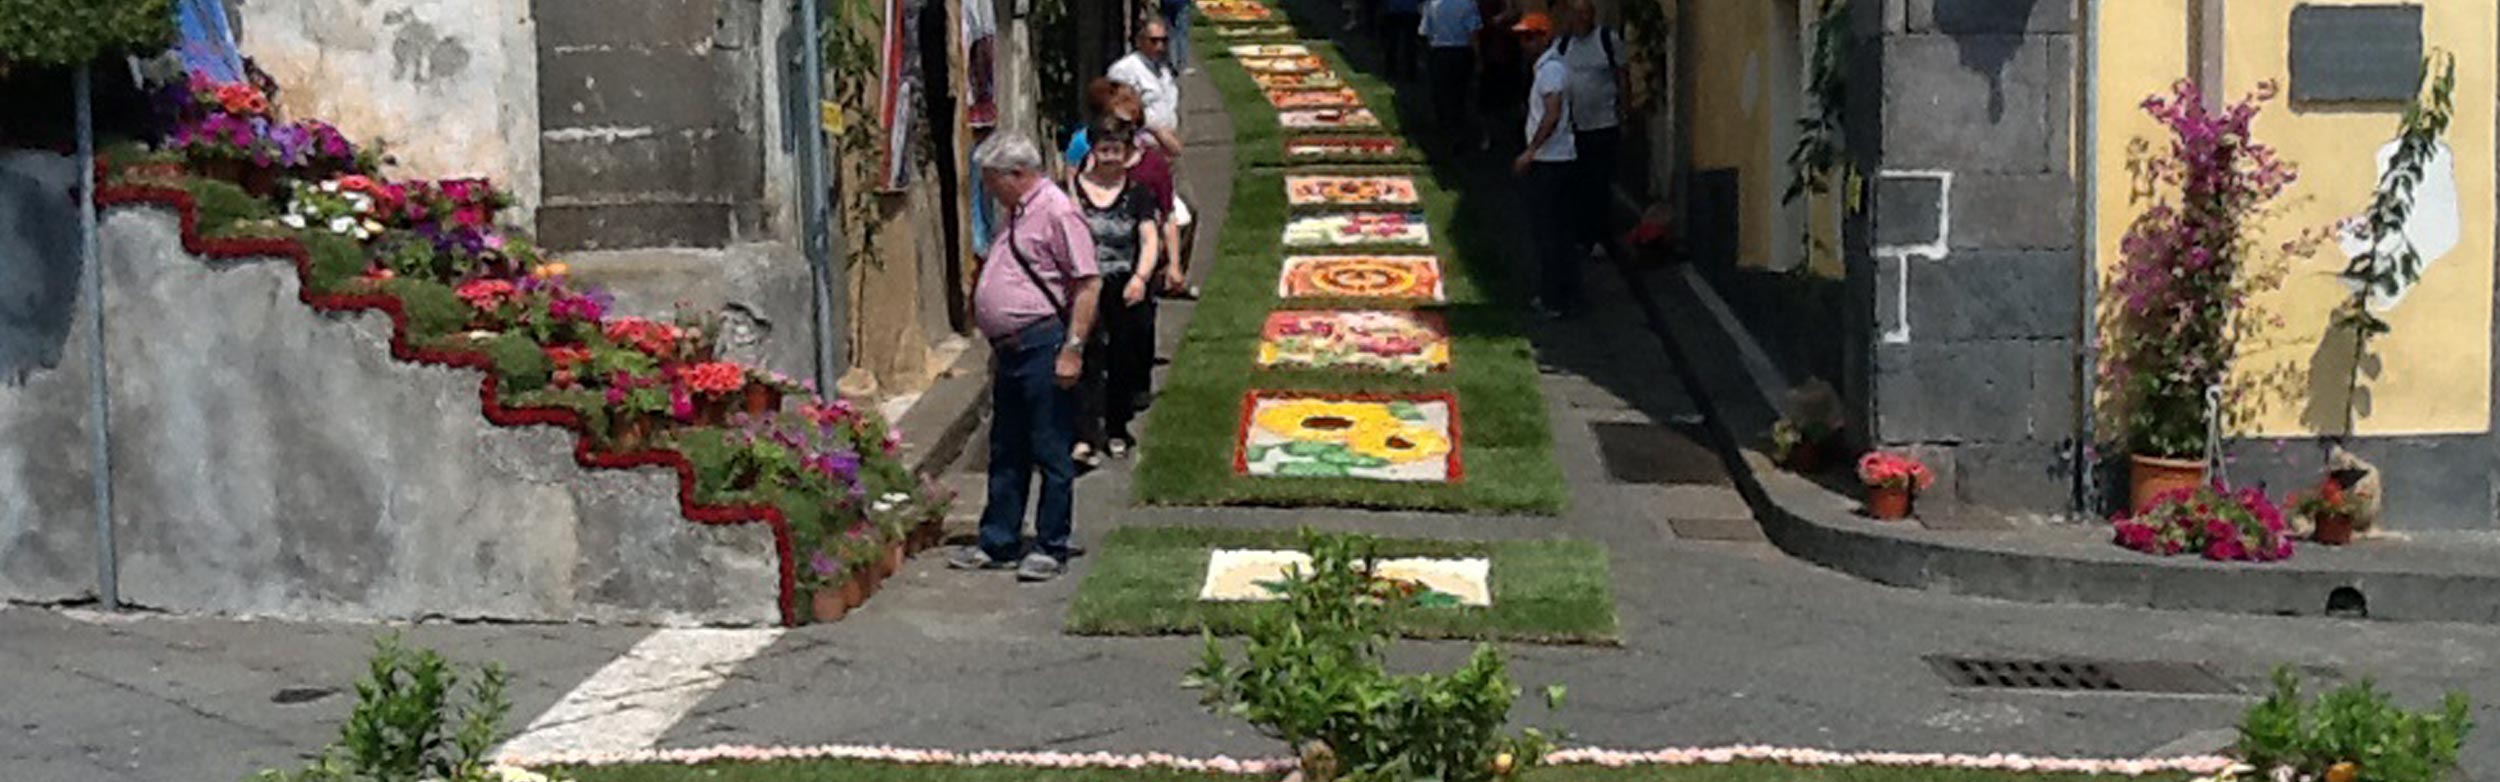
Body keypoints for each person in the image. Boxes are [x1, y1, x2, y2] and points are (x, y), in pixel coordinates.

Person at [953, 132, 1104, 582]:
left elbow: (1087, 282)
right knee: (1008, 445)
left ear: (1015, 175)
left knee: (1051, 446)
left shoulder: (1056, 211)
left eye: (991, 180)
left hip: (1043, 343)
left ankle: (1050, 543)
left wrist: (1072, 349)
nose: (988, 189)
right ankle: (998, 539)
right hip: (1012, 348)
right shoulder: (1018, 212)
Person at [1070, 120, 1164, 463]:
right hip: (1083, 285)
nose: (1110, 157)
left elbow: (1149, 237)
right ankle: (1084, 433)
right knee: (1083, 355)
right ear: (1092, 151)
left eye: (1116, 151)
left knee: (1122, 359)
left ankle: (1116, 428)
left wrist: (1140, 277)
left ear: (1126, 155)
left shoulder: (1137, 193)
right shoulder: (1072, 192)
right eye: (1103, 150)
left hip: (1123, 284)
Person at [1065, 80, 1190, 298]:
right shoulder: (1082, 147)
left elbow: (1167, 215)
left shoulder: (1152, 164)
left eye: (1130, 124)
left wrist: (1174, 265)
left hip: (1136, 262)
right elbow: (1071, 187)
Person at [1510, 12, 1580, 319]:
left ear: (1544, 38)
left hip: (1551, 162)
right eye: (1522, 38)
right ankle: (1564, 293)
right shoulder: (1549, 68)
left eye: (1529, 37)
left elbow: (1552, 114)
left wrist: (1531, 151)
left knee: (1549, 232)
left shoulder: (1550, 71)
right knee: (1558, 230)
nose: (1524, 44)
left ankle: (1553, 298)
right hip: (1556, 159)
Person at [1553, 0, 1628, 261]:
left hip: (1603, 124)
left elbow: (1621, 76)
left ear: (1592, 16)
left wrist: (1624, 112)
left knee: (1600, 183)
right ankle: (1580, 234)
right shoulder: (1561, 46)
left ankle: (1600, 237)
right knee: (1577, 183)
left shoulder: (1608, 40)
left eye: (1585, 13)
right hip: (1572, 127)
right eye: (1576, 14)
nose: (1581, 19)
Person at [1418, 0, 1482, 150]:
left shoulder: (1432, 3)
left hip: (1439, 51)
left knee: (1440, 91)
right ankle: (1458, 129)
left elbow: (1425, 31)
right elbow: (1473, 32)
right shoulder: (1468, 3)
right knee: (1459, 92)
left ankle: (1444, 127)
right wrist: (1478, 57)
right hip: (1461, 51)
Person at [1109, 20, 1183, 135]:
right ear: (1139, 41)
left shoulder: (1163, 69)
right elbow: (1117, 113)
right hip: (1142, 142)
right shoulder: (1124, 69)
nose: (1160, 46)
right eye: (1153, 41)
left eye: (1164, 40)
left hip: (1167, 142)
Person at [1473, 0, 1523, 154]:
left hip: (1509, 58)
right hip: (1491, 57)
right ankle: (1488, 136)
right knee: (1486, 102)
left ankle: (1510, 135)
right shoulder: (1484, 6)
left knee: (1510, 99)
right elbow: (1478, 29)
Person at [1377, 0, 1423, 81]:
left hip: (1393, 10)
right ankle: (1410, 72)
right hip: (1410, 10)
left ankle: (1391, 70)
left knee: (1392, 42)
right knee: (1410, 43)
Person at [1160, 0, 1197, 74]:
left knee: (1171, 34)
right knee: (1182, 35)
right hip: (1181, 3)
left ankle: (1172, 63)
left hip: (1167, 4)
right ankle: (1183, 65)